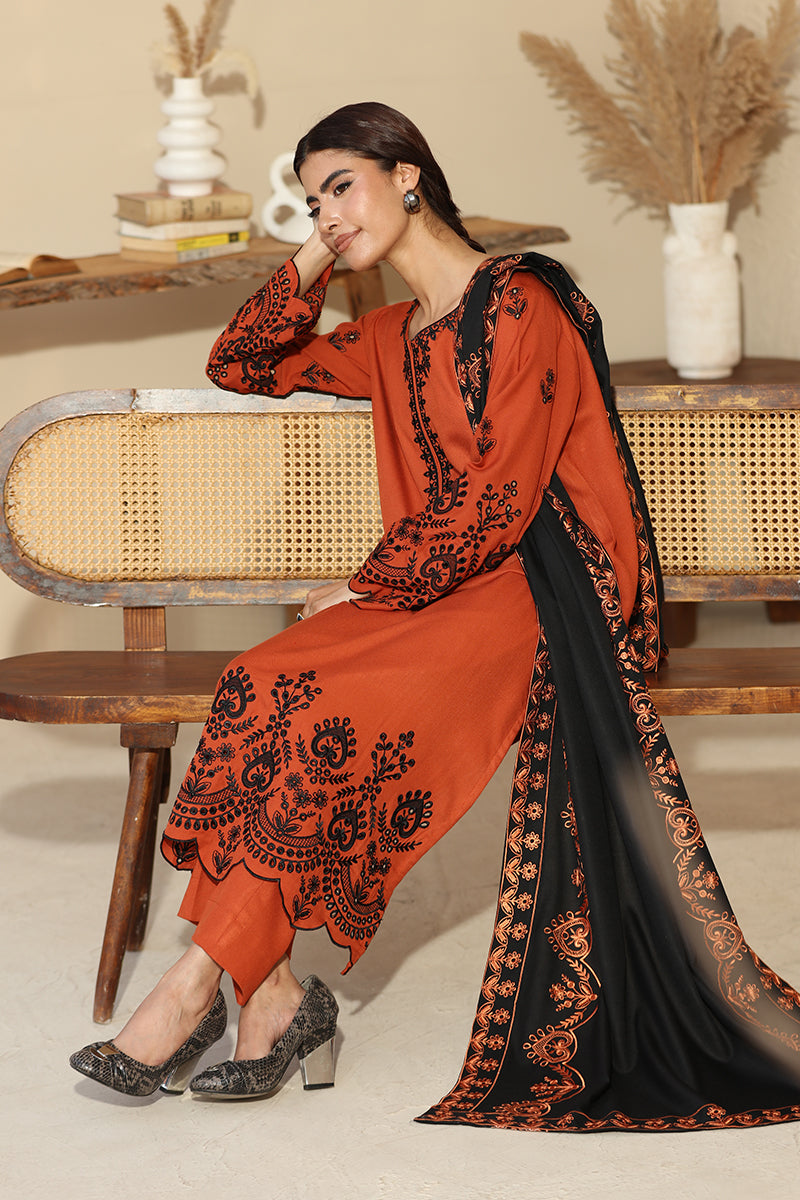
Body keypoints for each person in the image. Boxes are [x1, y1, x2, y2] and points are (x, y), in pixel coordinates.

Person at [70, 102, 800, 1130]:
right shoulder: (388, 338)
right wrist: (311, 260)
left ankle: (191, 989)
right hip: (443, 580)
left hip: (541, 587)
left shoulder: (520, 304)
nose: (327, 211)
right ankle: (271, 998)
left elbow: (504, 500)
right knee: (260, 682)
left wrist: (370, 581)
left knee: (327, 703)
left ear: (406, 173)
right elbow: (241, 362)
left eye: (342, 185)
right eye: (312, 196)